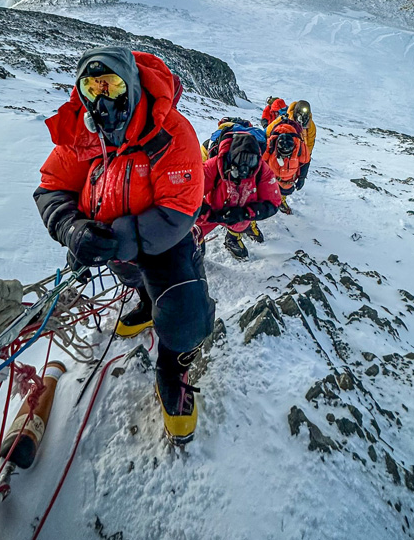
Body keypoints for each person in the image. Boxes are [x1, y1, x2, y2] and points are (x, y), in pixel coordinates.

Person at [33, 47, 214, 444]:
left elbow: (178, 210)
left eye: (111, 84)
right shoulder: (81, 133)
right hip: (112, 240)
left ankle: (172, 368)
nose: (102, 98)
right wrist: (72, 230)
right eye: (91, 87)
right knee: (134, 277)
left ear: (131, 87)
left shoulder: (170, 132)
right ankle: (147, 305)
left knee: (187, 315)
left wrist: (117, 238)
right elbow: (51, 188)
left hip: (165, 241)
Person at [195, 132, 281, 259]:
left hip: (241, 211)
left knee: (240, 224)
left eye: (250, 160)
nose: (245, 166)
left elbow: (273, 202)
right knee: (193, 230)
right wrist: (208, 214)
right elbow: (189, 194)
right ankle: (195, 246)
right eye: (241, 159)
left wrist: (245, 213)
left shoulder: (262, 171)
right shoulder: (214, 165)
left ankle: (233, 238)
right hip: (213, 209)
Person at [263, 119, 310, 215]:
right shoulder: (270, 143)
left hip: (288, 178)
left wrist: (301, 178)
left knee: (286, 190)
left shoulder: (300, 146)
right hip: (272, 176)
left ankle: (281, 201)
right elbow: (262, 160)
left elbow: (305, 162)